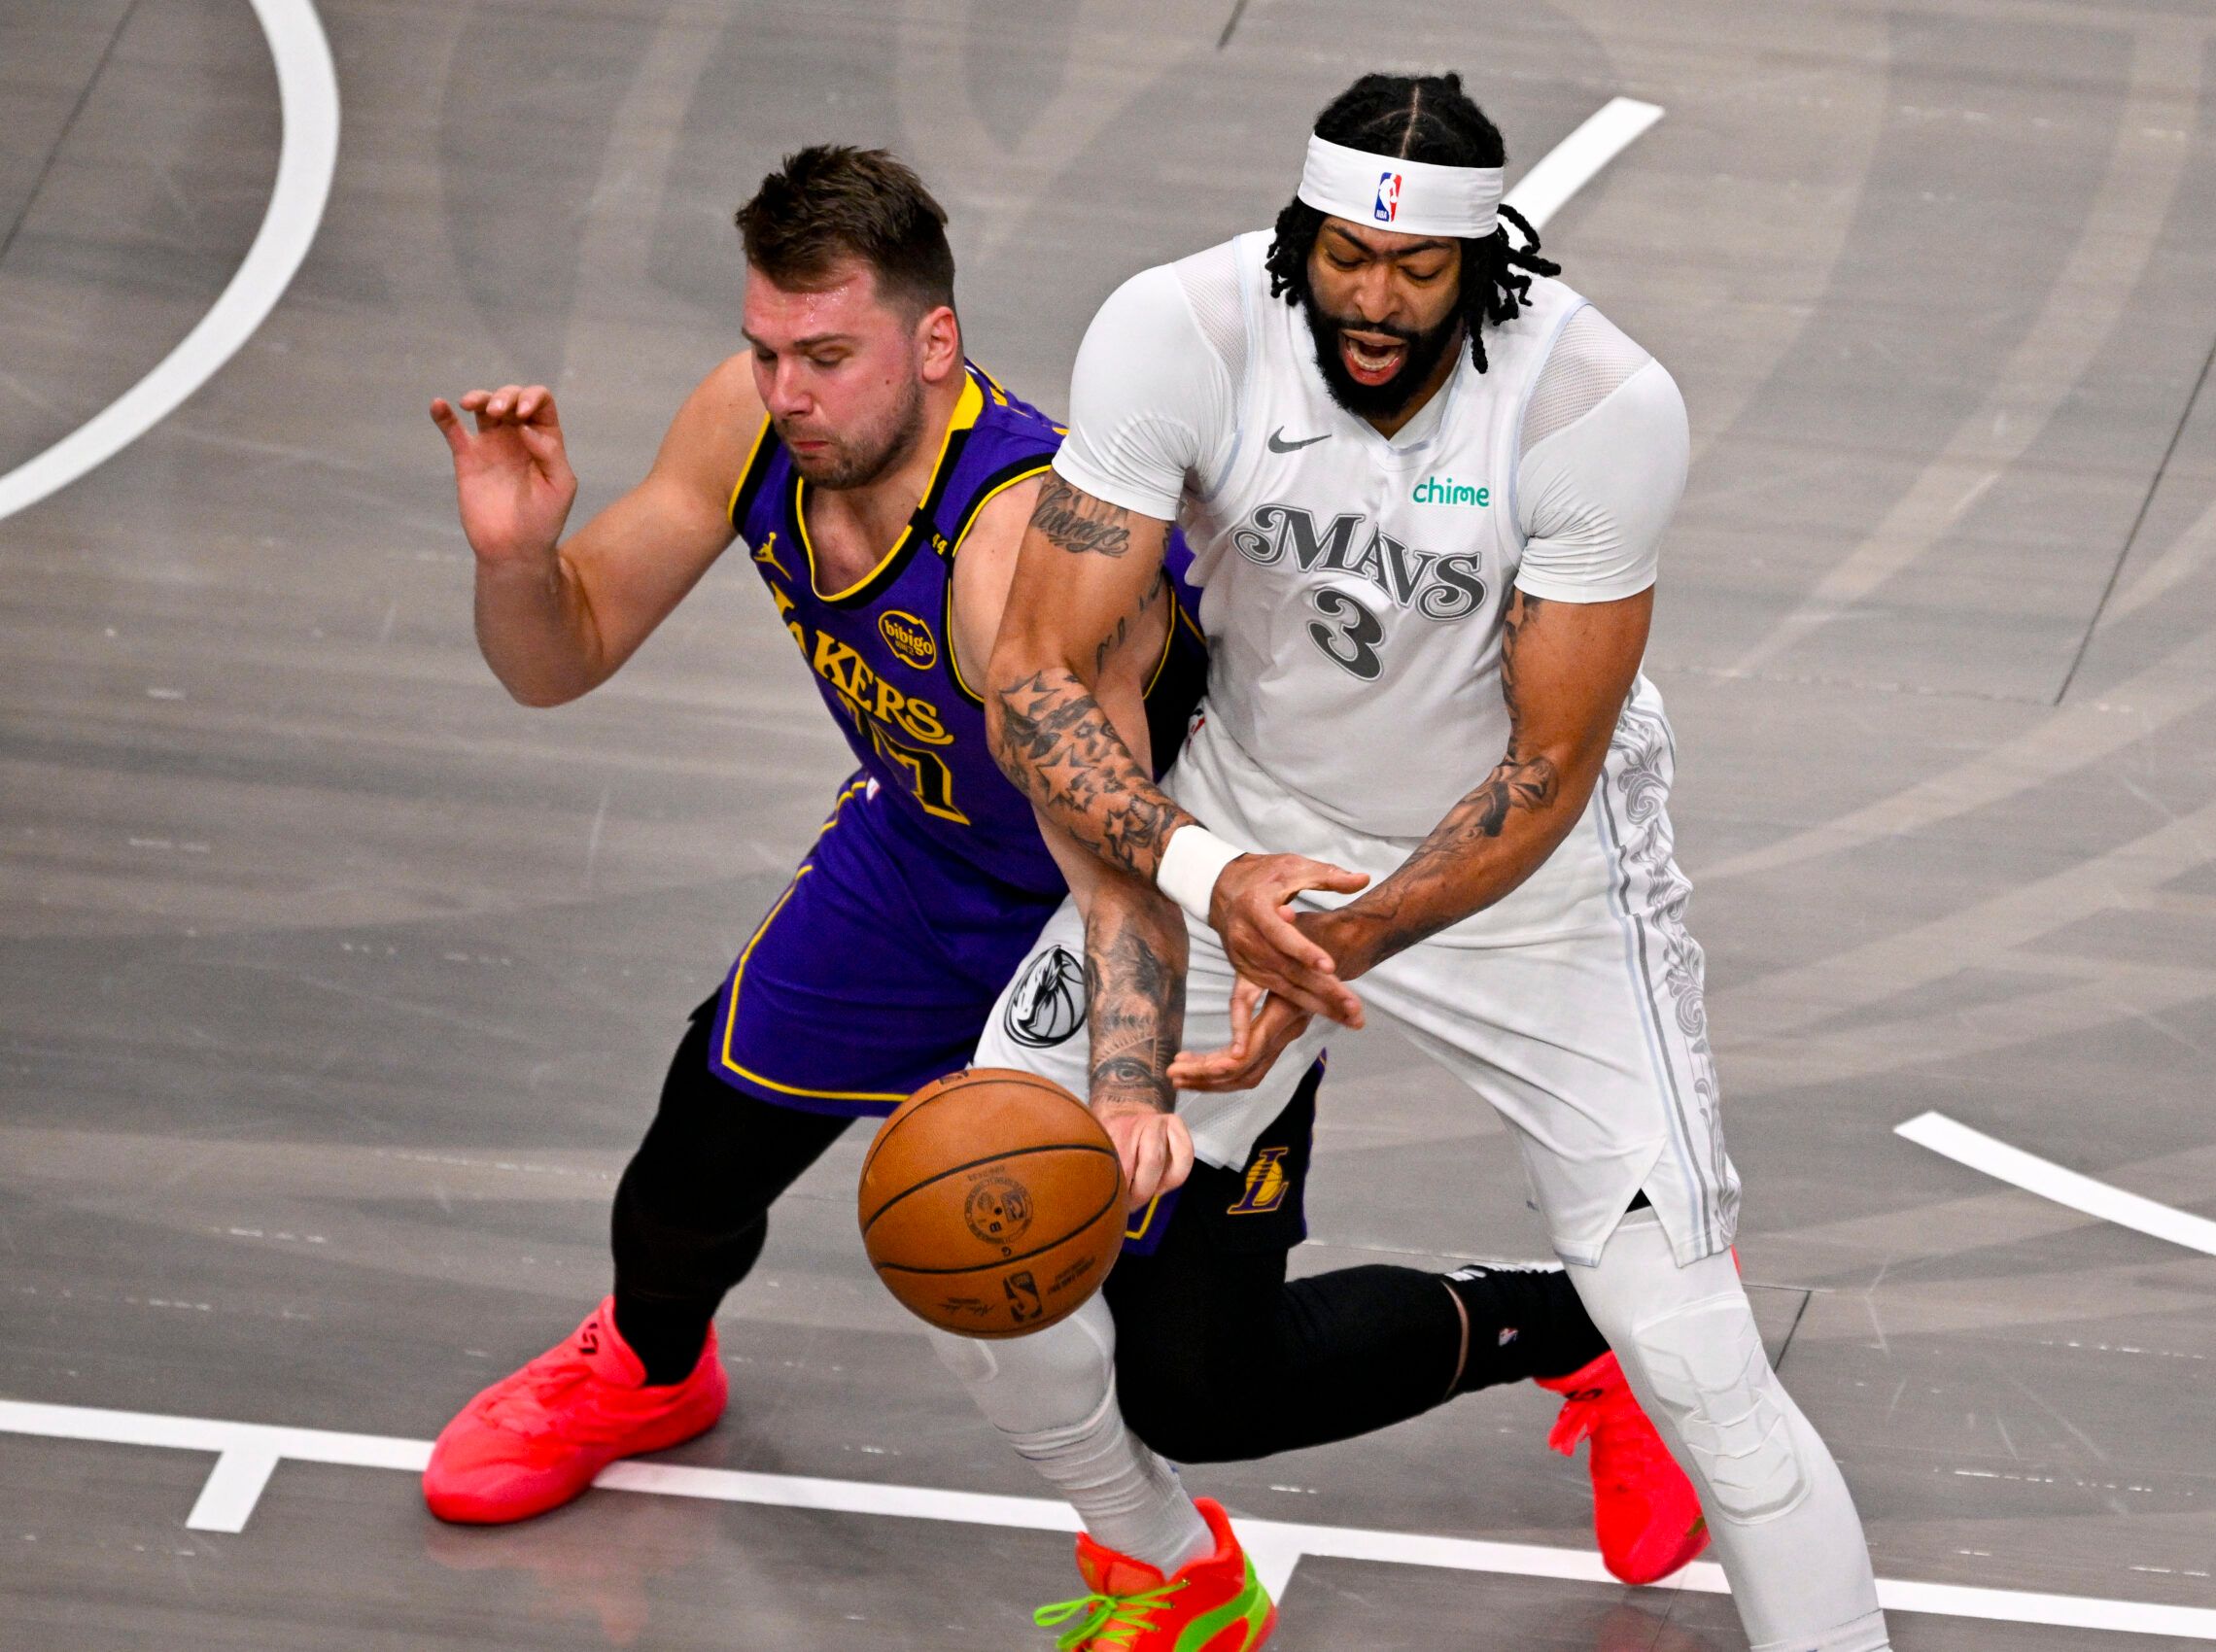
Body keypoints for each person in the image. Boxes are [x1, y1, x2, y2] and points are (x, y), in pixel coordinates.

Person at [419, 144, 1703, 1598]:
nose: (788, 391)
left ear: (935, 342)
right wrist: (519, 562)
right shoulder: (752, 426)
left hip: (1137, 913)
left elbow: (1116, 875)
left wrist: (1125, 1084)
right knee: (687, 1167)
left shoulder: (1011, 542)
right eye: (767, 349)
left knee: (1206, 1388)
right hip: (916, 865)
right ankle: (652, 1372)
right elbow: (562, 657)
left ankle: (1587, 1334)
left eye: (829, 356)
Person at [953, 73, 1894, 1652]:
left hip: (1535, 889)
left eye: (1414, 271)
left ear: (1486, 266)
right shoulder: (1177, 333)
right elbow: (1042, 681)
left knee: (1705, 1372)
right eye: (1341, 258)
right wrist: (1195, 919)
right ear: (1299, 237)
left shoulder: (1593, 405)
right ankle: (1163, 1558)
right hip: (1247, 824)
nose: (1370, 300)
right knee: (980, 1220)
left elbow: (1545, 772)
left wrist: (1333, 946)